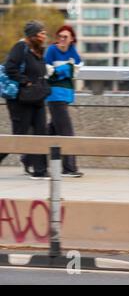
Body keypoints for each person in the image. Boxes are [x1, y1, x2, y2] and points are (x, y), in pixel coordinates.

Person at [0, 20, 50, 179]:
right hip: (20, 100)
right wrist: (25, 81)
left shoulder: (38, 50)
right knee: (19, 135)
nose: (44, 36)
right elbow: (10, 68)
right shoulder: (20, 47)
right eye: (41, 33)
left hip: (36, 98)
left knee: (41, 132)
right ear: (33, 35)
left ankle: (40, 171)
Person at [44, 25, 83, 177]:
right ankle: (69, 168)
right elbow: (49, 73)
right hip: (54, 97)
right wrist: (67, 68)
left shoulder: (73, 52)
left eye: (65, 37)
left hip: (66, 97)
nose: (61, 39)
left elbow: (76, 71)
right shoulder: (52, 50)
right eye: (59, 36)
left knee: (49, 131)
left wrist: (63, 70)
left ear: (72, 39)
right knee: (67, 133)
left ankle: (28, 158)